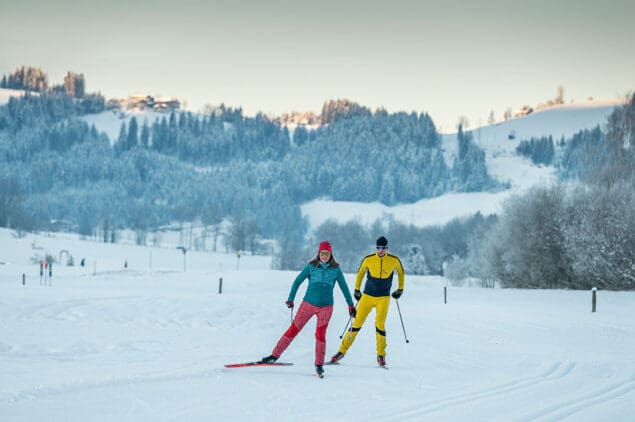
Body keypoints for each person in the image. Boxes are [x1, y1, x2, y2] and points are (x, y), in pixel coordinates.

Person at [259, 241, 356, 377]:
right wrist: (291, 299)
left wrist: (350, 305)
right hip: (308, 304)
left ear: (330, 255)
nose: (324, 256)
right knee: (293, 329)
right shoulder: (311, 267)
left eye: (327, 254)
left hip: (326, 307)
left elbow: (344, 288)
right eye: (322, 253)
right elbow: (297, 282)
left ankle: (319, 365)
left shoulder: (336, 270)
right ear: (319, 253)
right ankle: (274, 356)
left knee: (320, 334)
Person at [330, 236, 405, 367]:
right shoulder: (369, 259)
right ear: (376, 248)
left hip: (383, 297)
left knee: (380, 325)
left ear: (387, 248)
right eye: (378, 248)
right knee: (357, 323)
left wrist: (400, 289)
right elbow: (360, 273)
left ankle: (381, 355)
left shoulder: (394, 260)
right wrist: (357, 290)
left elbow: (401, 272)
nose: (381, 250)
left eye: (383, 248)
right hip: (367, 296)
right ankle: (341, 352)